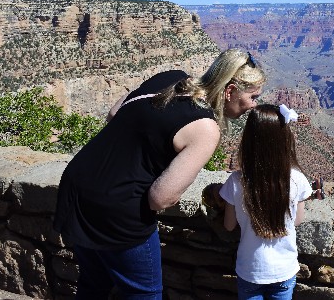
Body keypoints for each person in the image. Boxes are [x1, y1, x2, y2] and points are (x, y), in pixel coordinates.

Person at [53, 48, 266, 300]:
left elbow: (113, 114)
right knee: (145, 294)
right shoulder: (206, 128)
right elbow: (160, 198)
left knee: (94, 283)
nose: (254, 106)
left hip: (76, 188)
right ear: (229, 91)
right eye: (253, 97)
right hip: (117, 210)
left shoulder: (171, 77)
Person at [219, 104, 313, 300]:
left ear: (249, 141)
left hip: (250, 271)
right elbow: (296, 221)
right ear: (284, 140)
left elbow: (229, 225)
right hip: (284, 271)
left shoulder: (236, 181)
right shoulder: (297, 180)